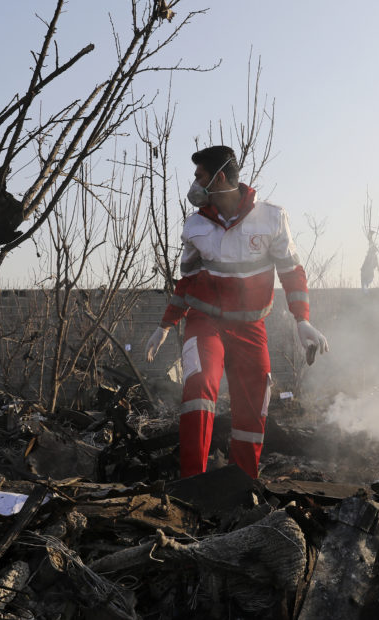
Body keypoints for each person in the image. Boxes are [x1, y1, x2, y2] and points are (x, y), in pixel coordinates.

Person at [145, 145, 329, 478]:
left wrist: (302, 319)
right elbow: (186, 283)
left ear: (221, 176)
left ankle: (241, 484)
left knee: (255, 400)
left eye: (200, 176)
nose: (195, 184)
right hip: (205, 323)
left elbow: (291, 271)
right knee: (199, 387)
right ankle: (192, 484)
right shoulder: (195, 227)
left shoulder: (271, 218)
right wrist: (166, 325)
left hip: (250, 326)